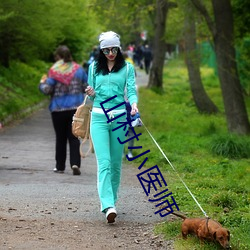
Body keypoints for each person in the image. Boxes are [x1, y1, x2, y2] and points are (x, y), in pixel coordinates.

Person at [85, 31, 138, 223]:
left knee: (116, 164)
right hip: (98, 118)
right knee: (104, 163)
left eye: (114, 49)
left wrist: (133, 104)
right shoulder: (93, 68)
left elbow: (131, 90)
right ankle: (107, 205)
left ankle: (112, 202)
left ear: (119, 48)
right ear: (101, 50)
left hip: (120, 119)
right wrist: (90, 92)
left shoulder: (127, 68)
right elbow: (91, 97)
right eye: (106, 50)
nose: (110, 53)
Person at [39, 45, 88, 175]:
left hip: (58, 109)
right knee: (74, 137)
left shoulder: (54, 71)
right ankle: (75, 163)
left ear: (58, 57)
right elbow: (86, 87)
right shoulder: (79, 70)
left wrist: (42, 83)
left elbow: (47, 90)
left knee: (60, 138)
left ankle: (60, 166)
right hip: (75, 109)